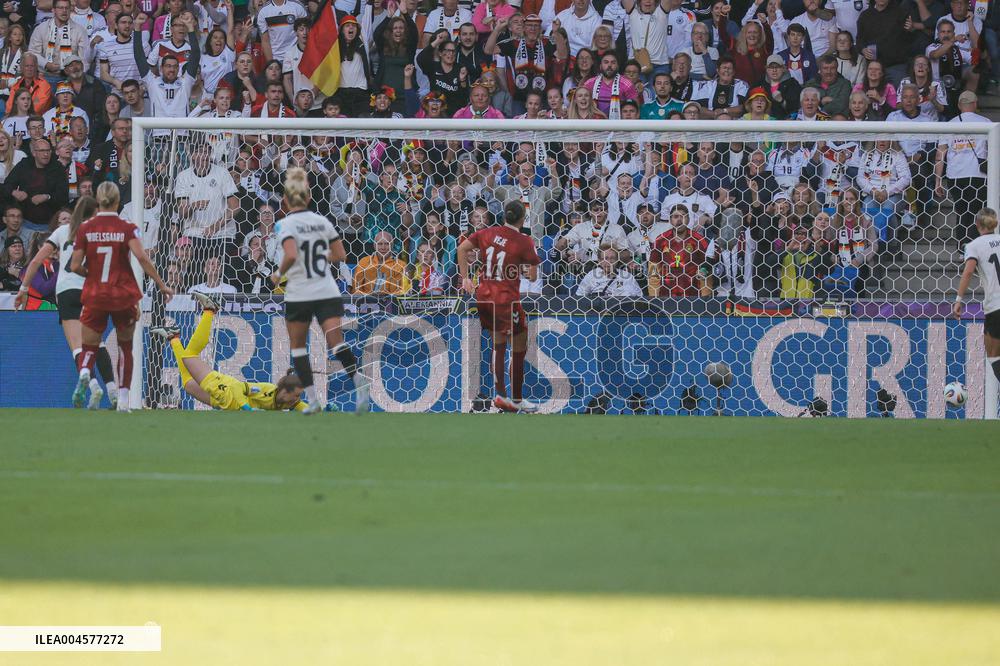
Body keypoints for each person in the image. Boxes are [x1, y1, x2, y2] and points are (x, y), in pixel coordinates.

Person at [68, 181, 173, 411]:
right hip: (123, 294)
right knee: (125, 347)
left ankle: (85, 372)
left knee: (90, 346)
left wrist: (91, 274)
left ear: (98, 200)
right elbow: (142, 258)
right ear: (117, 201)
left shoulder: (86, 228)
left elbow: (75, 265)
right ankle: (124, 401)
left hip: (95, 293)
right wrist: (162, 284)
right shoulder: (127, 227)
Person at [271, 167, 367, 414]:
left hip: (300, 292)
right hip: (326, 289)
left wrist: (279, 273)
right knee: (336, 343)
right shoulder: (322, 221)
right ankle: (358, 383)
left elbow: (291, 254)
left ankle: (313, 400)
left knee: (299, 347)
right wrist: (319, 255)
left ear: (284, 200)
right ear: (309, 197)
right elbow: (341, 255)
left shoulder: (283, 224)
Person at [15, 195, 119, 408]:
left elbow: (36, 260)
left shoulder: (63, 231)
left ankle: (92, 385)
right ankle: (112, 389)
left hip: (66, 291)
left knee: (77, 346)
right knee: (97, 343)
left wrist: (23, 289)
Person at [151, 292, 309, 411]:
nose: (297, 399)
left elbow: (303, 407)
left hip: (225, 402)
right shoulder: (268, 391)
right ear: (284, 391)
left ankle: (174, 338)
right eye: (296, 395)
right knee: (190, 355)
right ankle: (209, 310)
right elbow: (238, 388)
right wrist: (246, 407)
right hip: (226, 390)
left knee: (188, 385)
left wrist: (325, 409)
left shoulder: (288, 401)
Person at [457, 199, 542, 413]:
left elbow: (462, 248)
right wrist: (520, 268)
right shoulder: (524, 241)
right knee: (519, 345)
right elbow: (532, 276)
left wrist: (465, 278)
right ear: (523, 218)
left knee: (498, 345)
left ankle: (501, 397)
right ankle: (516, 398)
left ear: (504, 216)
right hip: (505, 299)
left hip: (484, 296)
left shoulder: (487, 233)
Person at [953, 208, 1000, 396]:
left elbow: (968, 271)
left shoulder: (974, 245)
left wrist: (958, 300)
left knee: (994, 356)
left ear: (977, 225)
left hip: (996, 306)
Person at [935, 90, 988, 245]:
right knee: (976, 211)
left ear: (959, 105)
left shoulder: (950, 124)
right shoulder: (985, 122)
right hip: (978, 174)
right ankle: (976, 247)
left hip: (955, 175)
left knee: (961, 211)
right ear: (975, 104)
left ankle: (962, 248)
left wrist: (938, 181)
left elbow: (940, 154)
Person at [576, 246, 643, 297]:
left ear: (617, 260)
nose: (609, 262)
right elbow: (580, 296)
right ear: (599, 261)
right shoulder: (592, 275)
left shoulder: (627, 277)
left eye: (612, 258)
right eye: (605, 258)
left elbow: (638, 297)